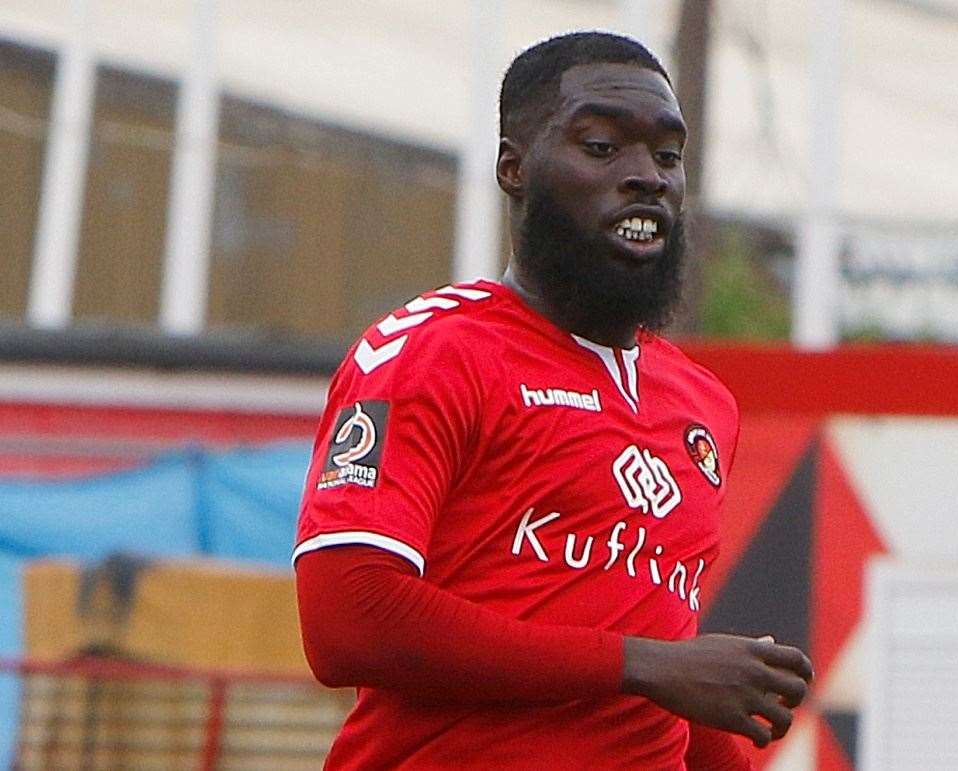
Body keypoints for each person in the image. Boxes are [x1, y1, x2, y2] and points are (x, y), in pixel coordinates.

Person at [294, 31, 813, 770]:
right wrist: (646, 663)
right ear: (514, 168)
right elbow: (348, 618)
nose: (647, 177)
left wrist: (668, 676)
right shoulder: (432, 351)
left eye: (668, 155)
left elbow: (660, 688)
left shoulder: (701, 403)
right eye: (602, 146)